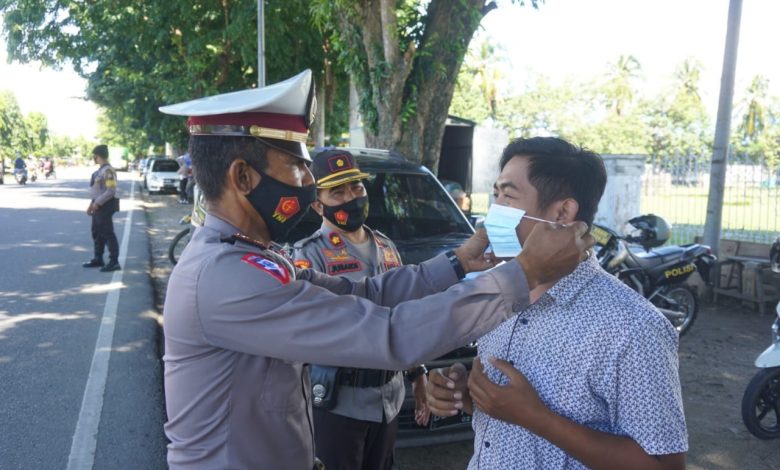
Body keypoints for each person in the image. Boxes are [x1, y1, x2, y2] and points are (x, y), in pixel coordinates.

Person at [158, 69, 594, 470]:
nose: (308, 183)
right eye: (296, 166)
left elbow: (363, 296)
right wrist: (522, 274)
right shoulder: (226, 277)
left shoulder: (255, 258)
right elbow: (389, 334)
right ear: (243, 177)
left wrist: (458, 262)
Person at [425, 137, 687, 469]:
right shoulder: (500, 295)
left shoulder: (633, 327)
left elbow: (665, 465)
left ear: (562, 213)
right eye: (495, 195)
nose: (493, 213)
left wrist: (538, 419)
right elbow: (503, 409)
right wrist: (466, 394)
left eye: (508, 196)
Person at [293, 149, 430, 470]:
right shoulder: (308, 255)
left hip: (388, 399)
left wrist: (417, 373)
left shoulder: (387, 247)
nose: (351, 198)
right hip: (338, 403)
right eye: (337, 192)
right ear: (318, 205)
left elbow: (405, 314)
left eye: (356, 187)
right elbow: (309, 329)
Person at [83, 144, 121, 272]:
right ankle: (98, 258)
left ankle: (114, 261)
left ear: (97, 156)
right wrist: (91, 205)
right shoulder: (100, 171)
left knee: (107, 233)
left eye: (94, 156)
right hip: (98, 206)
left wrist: (98, 203)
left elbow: (111, 191)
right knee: (97, 232)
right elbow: (97, 191)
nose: (93, 158)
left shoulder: (108, 171)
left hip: (105, 206)